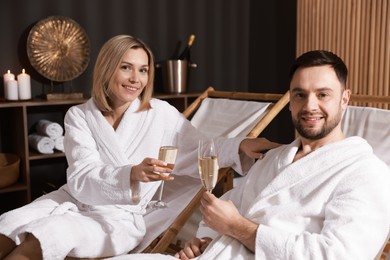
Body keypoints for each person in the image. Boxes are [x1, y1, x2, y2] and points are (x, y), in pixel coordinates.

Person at [0, 35, 279, 260]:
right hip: (71, 198)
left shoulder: (160, 113)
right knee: (10, 223)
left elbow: (201, 149)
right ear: (107, 68)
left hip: (118, 220)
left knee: (46, 235)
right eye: (126, 67)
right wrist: (131, 173)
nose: (136, 78)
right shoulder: (80, 116)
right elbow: (81, 178)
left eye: (143, 70)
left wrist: (240, 144)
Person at [114, 50, 390, 260]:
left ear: (345, 99)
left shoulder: (367, 174)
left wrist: (238, 228)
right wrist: (207, 241)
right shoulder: (274, 158)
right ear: (290, 102)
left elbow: (338, 256)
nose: (310, 105)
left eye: (323, 94)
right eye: (299, 95)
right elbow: (228, 208)